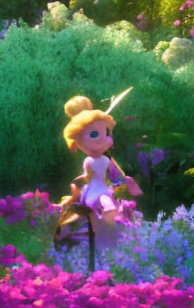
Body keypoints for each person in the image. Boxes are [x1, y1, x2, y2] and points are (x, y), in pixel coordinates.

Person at [61, 95, 142, 247]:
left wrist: (121, 183)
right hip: (94, 188)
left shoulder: (98, 150)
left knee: (101, 213)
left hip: (98, 187)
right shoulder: (85, 143)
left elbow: (113, 173)